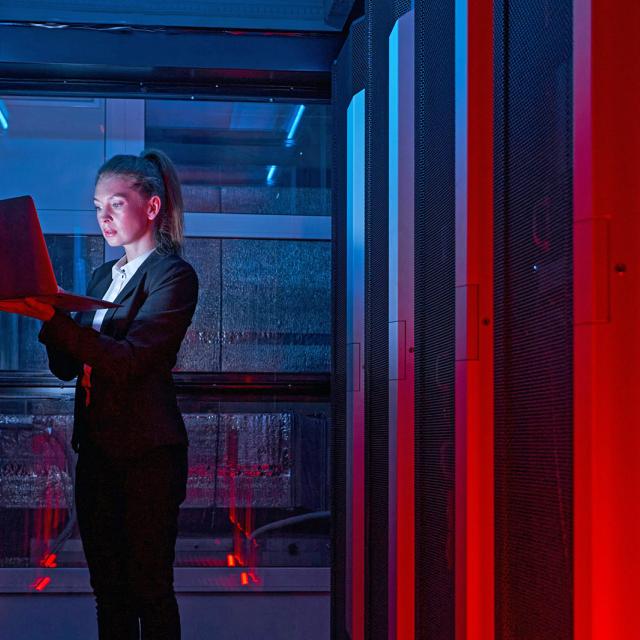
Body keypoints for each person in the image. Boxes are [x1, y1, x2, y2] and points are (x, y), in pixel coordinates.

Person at [2, 149, 199, 639]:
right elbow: (69, 368)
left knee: (150, 590)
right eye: (96, 206)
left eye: (115, 204)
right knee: (108, 592)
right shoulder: (100, 278)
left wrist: (58, 323)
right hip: (98, 454)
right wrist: (50, 312)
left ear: (151, 207)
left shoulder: (173, 276)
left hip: (148, 457)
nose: (103, 217)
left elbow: (131, 362)